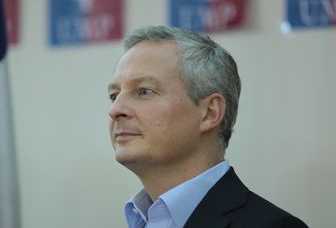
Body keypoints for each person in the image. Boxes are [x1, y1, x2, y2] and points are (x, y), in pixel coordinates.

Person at [107, 25, 308, 228]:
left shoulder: (273, 226)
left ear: (209, 113)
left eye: (144, 91)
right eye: (114, 95)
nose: (115, 110)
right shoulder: (138, 219)